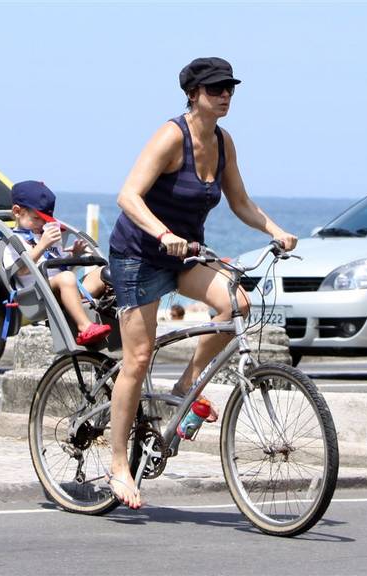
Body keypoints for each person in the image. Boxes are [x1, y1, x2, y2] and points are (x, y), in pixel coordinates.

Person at [106, 57, 298, 508]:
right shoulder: (172, 135)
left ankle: (184, 387)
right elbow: (127, 195)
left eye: (229, 87)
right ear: (194, 94)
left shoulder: (224, 142)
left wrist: (274, 230)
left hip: (185, 255)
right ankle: (118, 466)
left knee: (238, 303)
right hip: (138, 255)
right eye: (215, 88)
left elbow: (241, 202)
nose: (225, 95)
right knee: (137, 357)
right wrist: (163, 234)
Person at [3, 180, 111, 346]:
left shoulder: (48, 237)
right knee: (66, 278)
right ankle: (85, 327)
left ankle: (118, 318)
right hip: (36, 296)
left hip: (63, 291)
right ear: (17, 211)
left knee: (105, 273)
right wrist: (42, 245)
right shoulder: (14, 241)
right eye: (36, 218)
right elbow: (21, 271)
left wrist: (74, 256)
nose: (41, 224)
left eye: (45, 220)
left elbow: (63, 272)